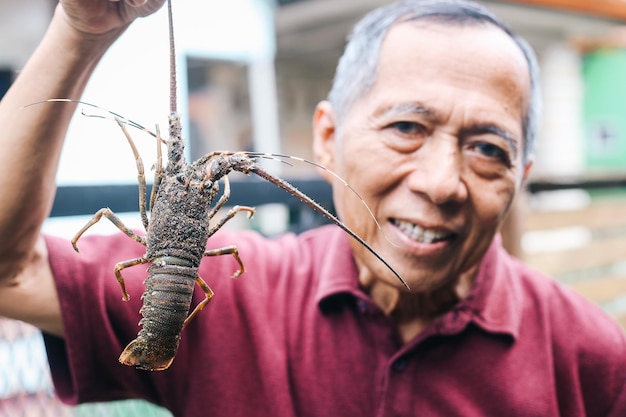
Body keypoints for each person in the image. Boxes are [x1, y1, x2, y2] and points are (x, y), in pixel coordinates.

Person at [0, 0, 624, 415]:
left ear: (522, 176)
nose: (440, 182)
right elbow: (9, 272)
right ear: (326, 137)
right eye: (407, 127)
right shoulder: (227, 293)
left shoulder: (591, 358)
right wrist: (81, 31)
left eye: (488, 147)